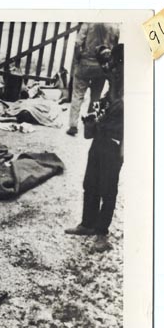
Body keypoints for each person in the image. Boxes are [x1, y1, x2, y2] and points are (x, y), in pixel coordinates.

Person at [65, 44, 124, 253]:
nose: (110, 67)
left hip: (115, 143)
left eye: (114, 64)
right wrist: (94, 115)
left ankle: (101, 233)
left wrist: (124, 149)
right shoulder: (114, 82)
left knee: (108, 189)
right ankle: (87, 224)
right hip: (100, 138)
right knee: (90, 182)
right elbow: (105, 103)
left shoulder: (132, 89)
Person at [66, 23, 120, 136]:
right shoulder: (114, 26)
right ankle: (90, 125)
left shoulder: (88, 23)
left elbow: (77, 43)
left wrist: (78, 58)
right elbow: (115, 48)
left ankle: (73, 125)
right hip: (101, 66)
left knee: (77, 95)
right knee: (96, 96)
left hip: (85, 64)